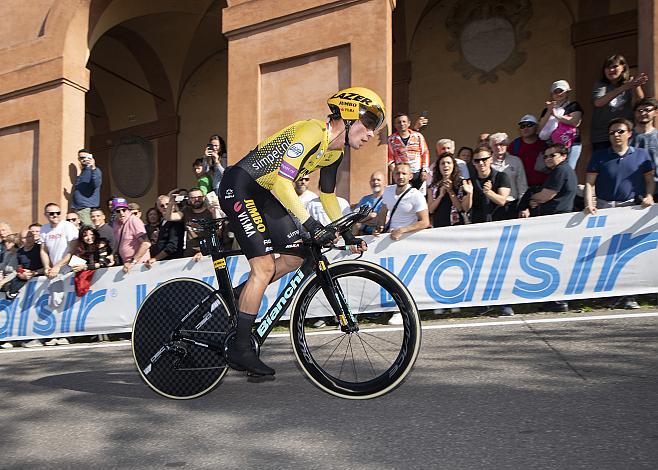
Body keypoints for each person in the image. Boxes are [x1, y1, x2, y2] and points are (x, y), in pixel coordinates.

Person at [217, 86, 382, 375]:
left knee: (294, 257)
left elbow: (328, 196)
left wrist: (347, 234)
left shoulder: (334, 154)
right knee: (264, 268)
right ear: (348, 116)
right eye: (368, 124)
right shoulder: (311, 132)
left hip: (266, 193)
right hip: (240, 186)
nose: (370, 134)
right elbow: (283, 184)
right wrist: (311, 224)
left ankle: (241, 299)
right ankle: (241, 348)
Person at [584, 118, 655, 310]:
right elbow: (589, 183)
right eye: (612, 132)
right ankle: (609, 295)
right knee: (606, 253)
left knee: (627, 252)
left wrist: (649, 195)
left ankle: (629, 296)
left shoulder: (642, 155)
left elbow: (649, 179)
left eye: (620, 131)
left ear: (629, 134)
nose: (616, 135)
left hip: (630, 208)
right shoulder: (599, 155)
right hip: (606, 208)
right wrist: (589, 203)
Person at [518, 144, 577, 313]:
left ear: (564, 156)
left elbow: (546, 195)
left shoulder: (561, 170)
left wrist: (532, 199)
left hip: (556, 221)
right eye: (546, 156)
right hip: (558, 220)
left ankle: (558, 301)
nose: (548, 159)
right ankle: (555, 299)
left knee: (551, 261)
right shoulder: (563, 170)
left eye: (552, 155)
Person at [590, 54, 648, 151]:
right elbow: (598, 103)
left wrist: (636, 86)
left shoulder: (629, 83)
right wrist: (624, 88)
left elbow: (639, 103)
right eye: (607, 67)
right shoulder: (601, 85)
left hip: (625, 135)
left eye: (614, 66)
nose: (611, 70)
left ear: (623, 67)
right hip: (602, 136)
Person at [538, 80, 584, 169]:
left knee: (569, 168)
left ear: (567, 92)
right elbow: (540, 129)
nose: (558, 93)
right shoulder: (546, 109)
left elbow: (574, 122)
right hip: (553, 145)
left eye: (561, 91)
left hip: (572, 142)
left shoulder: (573, 105)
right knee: (554, 169)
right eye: (556, 91)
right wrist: (549, 111)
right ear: (552, 94)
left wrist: (556, 115)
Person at [166, 187, 217, 261]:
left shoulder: (210, 211)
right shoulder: (186, 211)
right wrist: (171, 204)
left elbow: (218, 232)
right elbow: (169, 217)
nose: (197, 199)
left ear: (203, 198)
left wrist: (203, 252)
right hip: (189, 254)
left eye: (199, 197)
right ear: (189, 199)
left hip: (207, 253)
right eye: (193, 198)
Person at [427, 153, 473, 227]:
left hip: (457, 225)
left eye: (448, 163)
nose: (446, 165)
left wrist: (450, 191)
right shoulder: (432, 186)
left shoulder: (462, 183)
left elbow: (463, 208)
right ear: (438, 167)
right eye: (442, 163)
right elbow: (430, 210)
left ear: (453, 165)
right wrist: (440, 196)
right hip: (439, 225)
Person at [489, 133, 528, 219]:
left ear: (507, 145)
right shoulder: (488, 163)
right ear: (491, 147)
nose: (498, 147)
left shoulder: (516, 161)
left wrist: (523, 206)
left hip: (513, 204)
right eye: (495, 145)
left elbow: (522, 185)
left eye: (501, 144)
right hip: (493, 205)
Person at [387, 112, 430, 189]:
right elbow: (390, 158)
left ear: (409, 123)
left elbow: (425, 153)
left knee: (418, 196)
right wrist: (395, 172)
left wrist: (425, 170)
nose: (401, 124)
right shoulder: (391, 139)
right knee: (403, 196)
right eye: (398, 122)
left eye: (404, 121)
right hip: (402, 173)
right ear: (395, 125)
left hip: (417, 172)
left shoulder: (418, 136)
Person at [71, 226, 114, 296]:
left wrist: (85, 267)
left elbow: (103, 263)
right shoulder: (81, 249)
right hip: (92, 286)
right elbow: (74, 266)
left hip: (106, 280)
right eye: (85, 235)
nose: (89, 237)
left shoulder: (101, 244)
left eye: (91, 234)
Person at [111, 197, 151, 274]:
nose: (122, 213)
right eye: (118, 211)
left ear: (128, 210)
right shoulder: (116, 223)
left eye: (124, 210)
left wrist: (132, 262)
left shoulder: (134, 221)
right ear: (114, 212)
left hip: (140, 265)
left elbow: (146, 244)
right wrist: (112, 254)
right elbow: (118, 242)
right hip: (126, 265)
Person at [508, 114, 547, 187]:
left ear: (536, 127)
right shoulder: (514, 145)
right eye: (522, 126)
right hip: (522, 187)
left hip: (543, 186)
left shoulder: (544, 144)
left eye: (529, 125)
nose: (526, 128)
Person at [630, 97, 658, 199]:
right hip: (632, 189)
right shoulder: (626, 136)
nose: (643, 113)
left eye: (647, 110)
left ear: (655, 112)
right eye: (640, 110)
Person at [146, 195, 185, 267]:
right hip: (162, 262)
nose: (165, 207)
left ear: (173, 205)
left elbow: (172, 246)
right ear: (158, 208)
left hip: (173, 262)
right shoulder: (162, 222)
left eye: (167, 204)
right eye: (162, 205)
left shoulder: (176, 221)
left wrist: (155, 258)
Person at [71, 149, 102, 227]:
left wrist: (93, 167)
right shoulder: (83, 172)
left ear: (90, 157)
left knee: (88, 232)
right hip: (80, 209)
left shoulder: (94, 170)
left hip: (86, 209)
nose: (83, 159)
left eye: (85, 157)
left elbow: (97, 183)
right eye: (80, 158)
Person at [355, 171, 386, 235]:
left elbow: (384, 220)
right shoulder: (365, 199)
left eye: (378, 180)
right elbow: (355, 218)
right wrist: (370, 216)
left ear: (384, 182)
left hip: (381, 234)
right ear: (370, 183)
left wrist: (364, 220)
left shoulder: (388, 199)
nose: (375, 182)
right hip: (363, 234)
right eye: (373, 180)